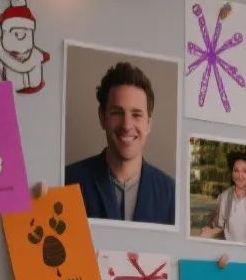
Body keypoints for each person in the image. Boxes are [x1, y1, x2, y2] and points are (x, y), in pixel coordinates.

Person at [65, 61, 177, 225]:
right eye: (117, 113)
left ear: (148, 124)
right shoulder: (67, 182)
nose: (126, 125)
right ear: (102, 117)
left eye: (136, 114)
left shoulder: (172, 195)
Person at [207, 150, 246, 243]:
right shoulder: (223, 198)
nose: (240, 176)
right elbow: (216, 226)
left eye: (245, 171)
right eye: (236, 171)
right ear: (232, 174)